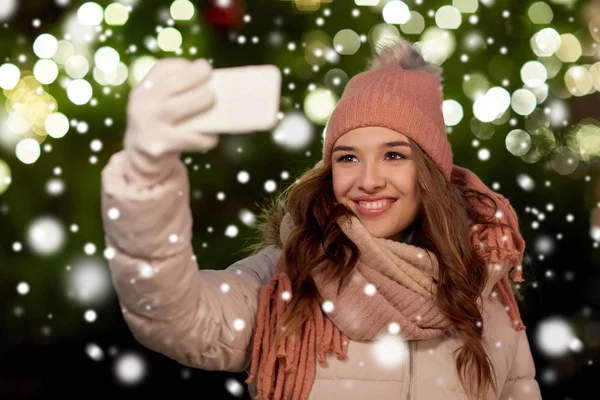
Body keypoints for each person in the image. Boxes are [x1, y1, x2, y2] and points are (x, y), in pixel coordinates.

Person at [100, 38, 542, 400]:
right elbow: (174, 317)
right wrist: (147, 175)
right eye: (348, 157)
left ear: (430, 171)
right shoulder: (287, 280)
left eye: (393, 155)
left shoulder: (483, 288)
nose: (368, 181)